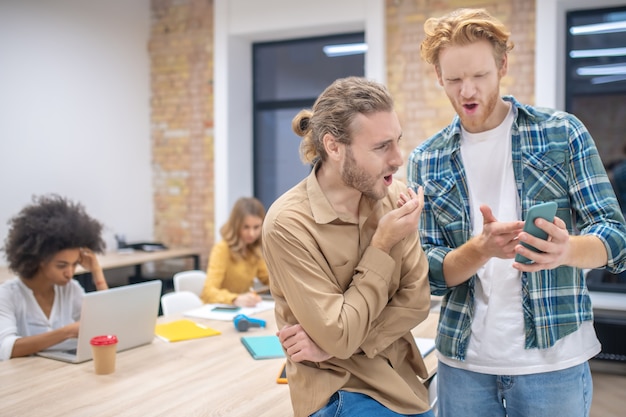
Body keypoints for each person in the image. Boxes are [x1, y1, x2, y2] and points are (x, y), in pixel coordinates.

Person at [406, 8, 626, 417]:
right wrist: (480, 249)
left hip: (553, 363)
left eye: (479, 76)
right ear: (438, 77)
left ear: (502, 65)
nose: (466, 91)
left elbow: (615, 236)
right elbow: (427, 273)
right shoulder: (426, 159)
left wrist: (567, 250)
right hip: (464, 365)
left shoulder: (562, 132)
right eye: (453, 79)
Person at [262, 76, 434, 417]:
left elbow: (417, 301)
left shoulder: (394, 196)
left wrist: (342, 344)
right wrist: (382, 245)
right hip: (341, 393)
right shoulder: (288, 224)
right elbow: (339, 334)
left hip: (405, 386)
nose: (399, 158)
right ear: (334, 147)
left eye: (397, 141)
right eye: (381, 146)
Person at [0, 194, 109, 361]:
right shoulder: (7, 295)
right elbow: (6, 349)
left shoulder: (71, 289)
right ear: (39, 260)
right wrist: (67, 332)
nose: (70, 273)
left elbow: (105, 324)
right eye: (61, 265)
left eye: (74, 264)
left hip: (61, 375)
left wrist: (96, 272)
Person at [200, 197, 269, 307]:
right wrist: (235, 299)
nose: (252, 233)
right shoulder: (222, 249)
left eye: (256, 227)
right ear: (236, 225)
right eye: (246, 227)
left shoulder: (253, 249)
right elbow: (208, 292)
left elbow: (267, 278)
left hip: (243, 310)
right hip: (220, 309)